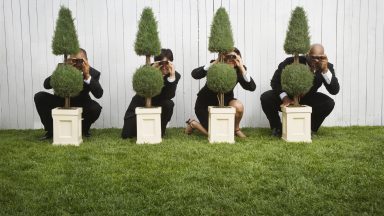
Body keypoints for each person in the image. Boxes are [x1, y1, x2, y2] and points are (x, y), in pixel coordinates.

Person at [260, 44, 340, 137]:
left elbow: (334, 90)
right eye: (313, 57)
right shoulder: (290, 62)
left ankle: (310, 129)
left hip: (308, 98)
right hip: (288, 97)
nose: (316, 61)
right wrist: (285, 98)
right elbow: (275, 82)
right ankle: (277, 128)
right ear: (307, 54)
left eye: (319, 58)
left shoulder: (326, 66)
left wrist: (325, 70)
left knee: (328, 103)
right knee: (266, 97)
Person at [185, 48, 256, 138]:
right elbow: (195, 74)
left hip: (225, 103)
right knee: (218, 134)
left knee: (238, 106)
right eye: (228, 56)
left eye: (233, 57)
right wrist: (216, 61)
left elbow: (252, 87)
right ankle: (193, 124)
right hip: (205, 104)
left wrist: (241, 66)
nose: (230, 59)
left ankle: (236, 129)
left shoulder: (238, 70)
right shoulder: (215, 66)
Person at [34, 48, 103, 139]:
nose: (76, 63)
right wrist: (60, 71)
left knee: (95, 108)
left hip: (81, 102)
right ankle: (51, 131)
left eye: (79, 60)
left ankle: (82, 130)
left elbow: (99, 94)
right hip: (60, 100)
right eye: (73, 60)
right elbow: (46, 85)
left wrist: (87, 76)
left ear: (86, 60)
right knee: (40, 96)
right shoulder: (63, 68)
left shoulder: (93, 73)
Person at [121, 48, 181, 139]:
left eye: (167, 63)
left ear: (171, 63)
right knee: (126, 134)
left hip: (160, 103)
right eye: (161, 63)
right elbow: (140, 87)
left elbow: (169, 96)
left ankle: (160, 130)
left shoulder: (175, 75)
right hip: (140, 101)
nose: (164, 66)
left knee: (169, 104)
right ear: (156, 62)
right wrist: (151, 73)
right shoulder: (146, 69)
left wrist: (171, 77)